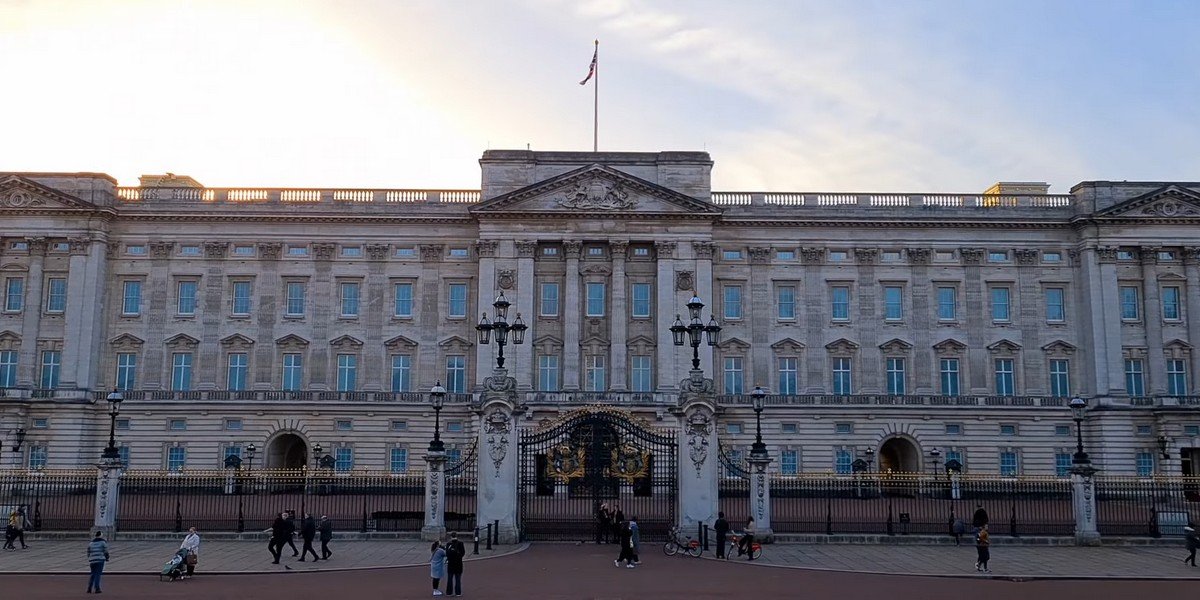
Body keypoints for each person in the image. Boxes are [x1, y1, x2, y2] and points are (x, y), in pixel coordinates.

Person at [445, 531, 465, 596]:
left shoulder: (448, 544)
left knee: (450, 579)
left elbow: (447, 554)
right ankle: (458, 592)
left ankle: (449, 592)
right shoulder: (460, 543)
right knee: (458, 579)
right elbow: (463, 553)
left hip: (451, 564)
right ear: (456, 536)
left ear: (451, 536)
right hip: (458, 563)